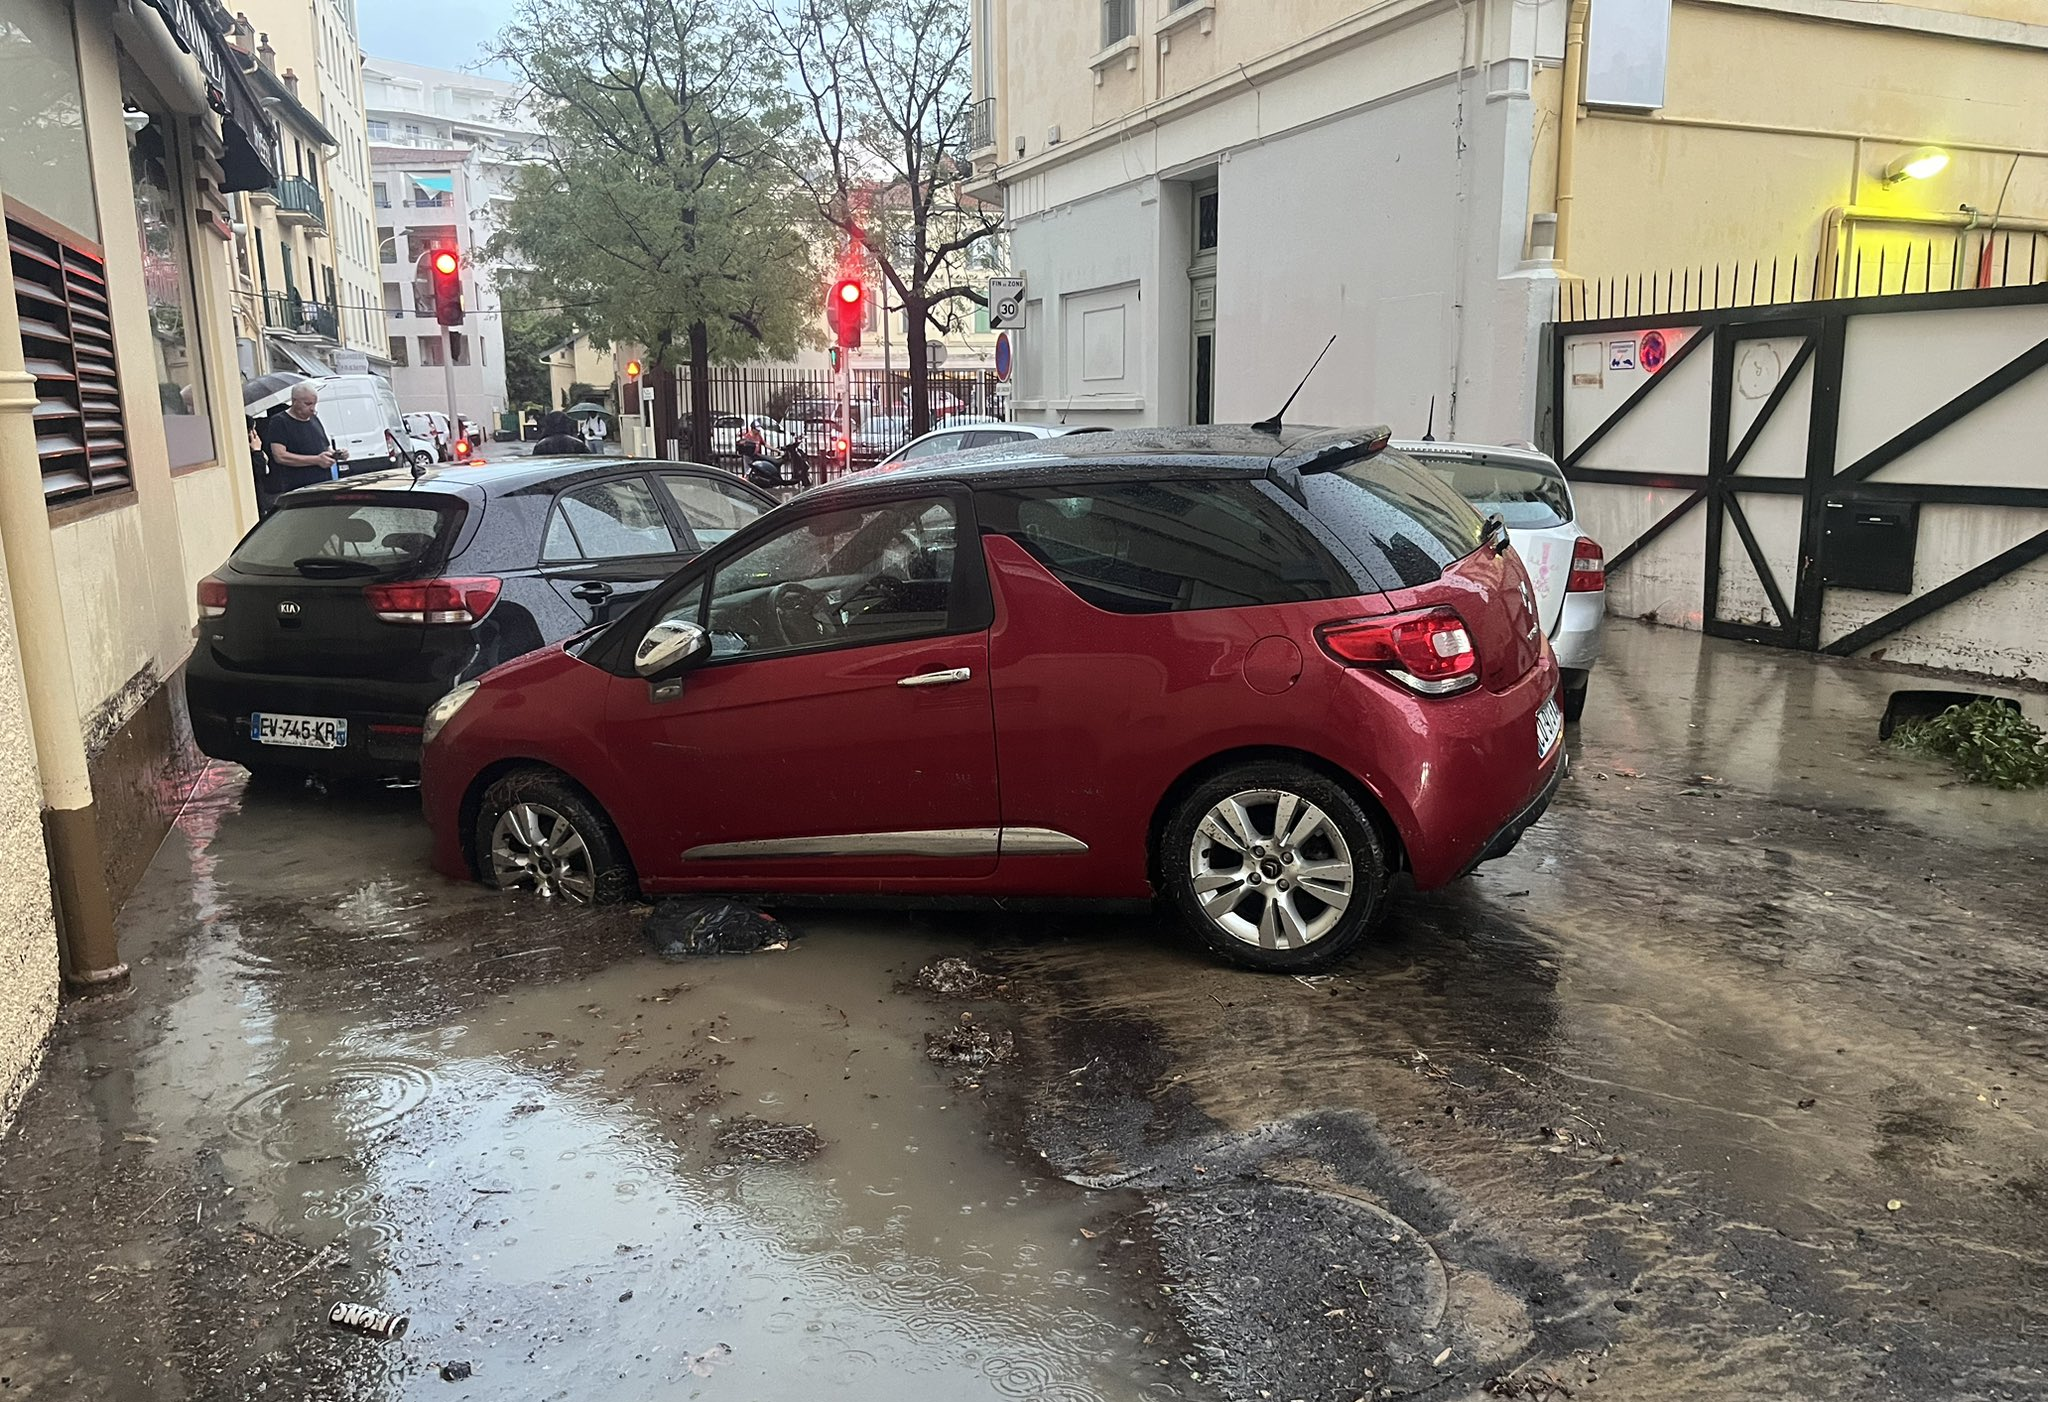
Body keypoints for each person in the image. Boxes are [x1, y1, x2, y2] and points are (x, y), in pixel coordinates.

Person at [259, 384, 346, 511]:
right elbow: (280, 456)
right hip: (299, 489)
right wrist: (316, 460)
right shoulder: (280, 421)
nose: (312, 409)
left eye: (314, 404)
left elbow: (325, 447)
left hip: (323, 486)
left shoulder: (314, 419)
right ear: (294, 401)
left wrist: (336, 454)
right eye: (308, 404)